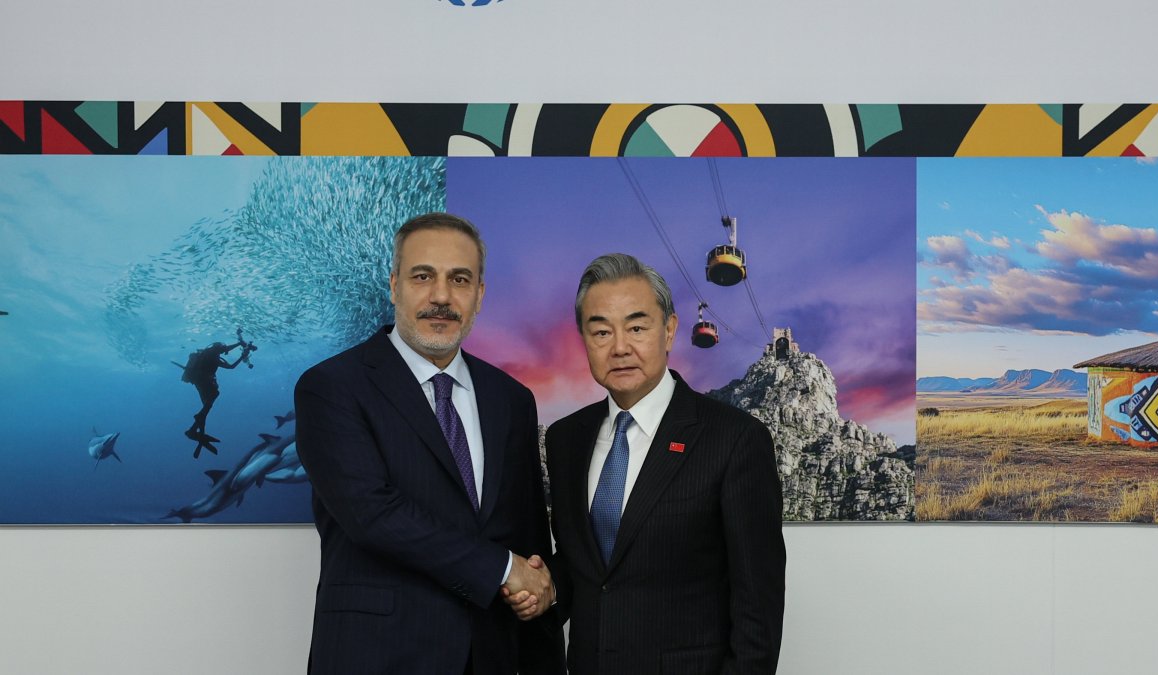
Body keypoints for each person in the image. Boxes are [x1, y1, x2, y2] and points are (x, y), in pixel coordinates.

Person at [294, 212, 564, 675]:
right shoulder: (331, 387)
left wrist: (544, 656)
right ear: (395, 284)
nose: (441, 296)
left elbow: (529, 539)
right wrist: (502, 569)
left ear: (479, 295)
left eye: (460, 279)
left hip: (491, 655)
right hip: (377, 656)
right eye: (423, 276)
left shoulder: (512, 399)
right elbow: (372, 515)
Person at [509, 252, 785, 675]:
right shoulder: (566, 440)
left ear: (670, 330)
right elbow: (590, 567)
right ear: (584, 339)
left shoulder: (734, 439)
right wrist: (545, 588)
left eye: (637, 327)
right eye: (601, 332)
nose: (620, 347)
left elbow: (757, 611)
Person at [180, 332, 255, 457]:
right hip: (205, 381)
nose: (224, 351)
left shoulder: (205, 353)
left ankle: (195, 428)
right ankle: (197, 422)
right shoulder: (214, 357)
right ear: (218, 350)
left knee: (207, 404)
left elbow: (226, 348)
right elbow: (231, 367)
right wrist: (243, 356)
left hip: (197, 381)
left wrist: (239, 343)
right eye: (222, 350)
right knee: (213, 396)